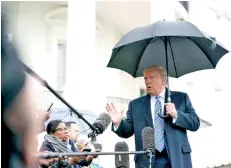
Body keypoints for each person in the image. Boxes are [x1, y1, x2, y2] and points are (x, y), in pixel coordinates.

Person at [106, 65, 200, 168]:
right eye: (145, 78)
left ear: (163, 81)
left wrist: (176, 114)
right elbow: (127, 131)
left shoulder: (181, 98)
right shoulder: (135, 105)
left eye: (151, 78)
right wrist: (118, 123)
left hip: (177, 158)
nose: (147, 81)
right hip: (147, 160)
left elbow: (195, 123)